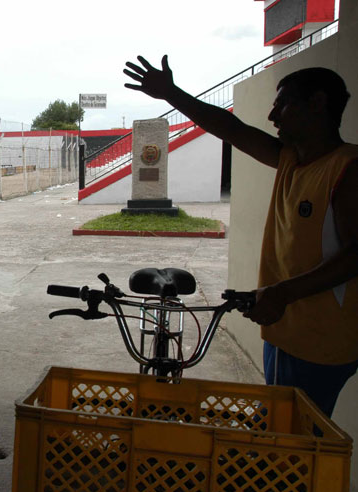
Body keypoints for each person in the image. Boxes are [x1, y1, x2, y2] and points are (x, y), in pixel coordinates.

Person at [123, 55, 358, 417]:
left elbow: (355, 256)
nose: (273, 116)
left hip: (317, 339)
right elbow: (231, 129)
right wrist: (172, 94)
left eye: (283, 104)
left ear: (317, 103)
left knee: (293, 438)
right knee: (278, 428)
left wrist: (283, 292)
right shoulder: (291, 160)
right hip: (285, 329)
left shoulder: (347, 169)